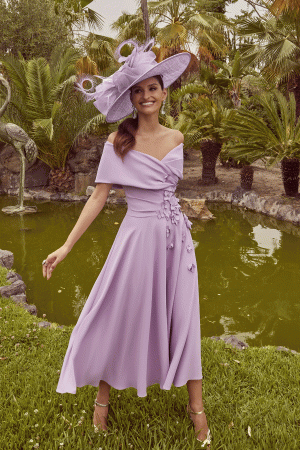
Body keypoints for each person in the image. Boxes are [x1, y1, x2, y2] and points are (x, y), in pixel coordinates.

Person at [42, 38, 211, 447]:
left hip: (176, 241)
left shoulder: (177, 137)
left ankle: (197, 410)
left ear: (164, 92)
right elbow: (98, 197)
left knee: (184, 317)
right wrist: (65, 247)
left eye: (152, 88)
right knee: (121, 314)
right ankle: (102, 401)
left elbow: (168, 189)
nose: (146, 95)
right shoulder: (116, 144)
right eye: (138, 90)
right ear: (131, 98)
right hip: (136, 238)